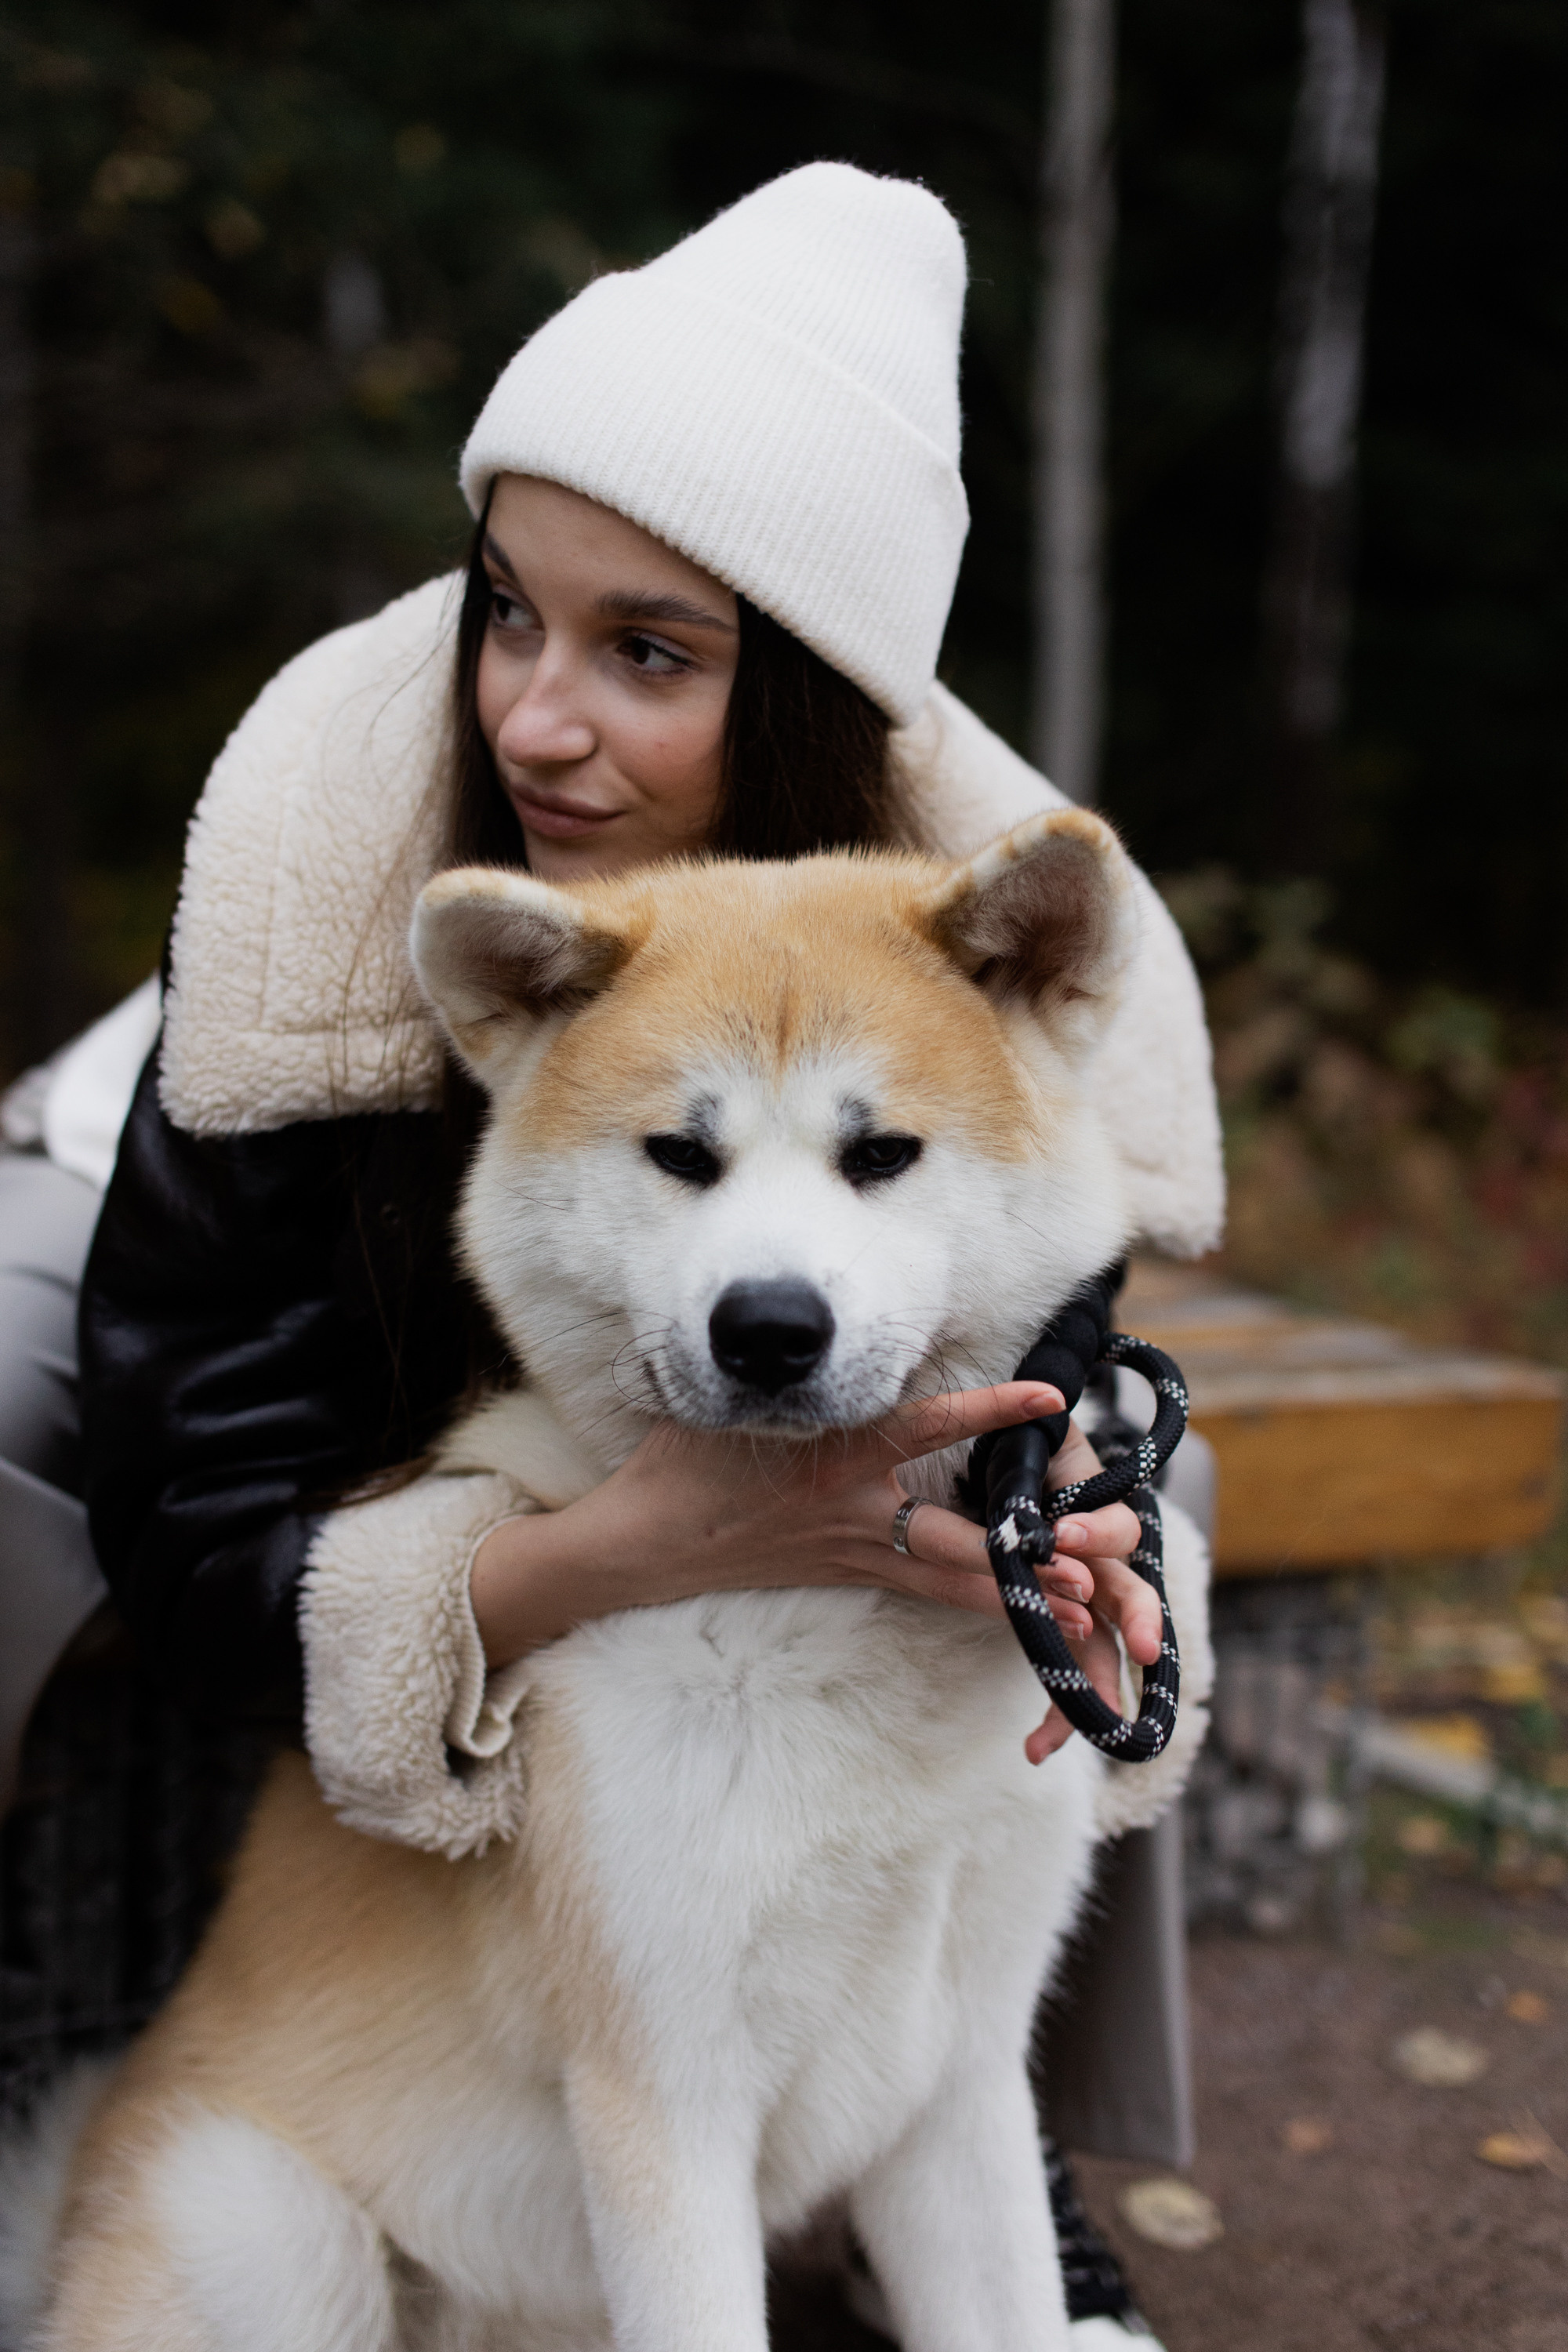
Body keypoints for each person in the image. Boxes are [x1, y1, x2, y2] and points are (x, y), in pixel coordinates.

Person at [5, 164, 1222, 2343]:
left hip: (619, 1395)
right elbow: (187, 1464)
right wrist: (595, 1553)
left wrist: (1072, 1534)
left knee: (1117, 1510)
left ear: (815, 689)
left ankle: (1024, 2181)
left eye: (645, 649)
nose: (536, 716)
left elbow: (1040, 1297)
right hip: (201, 1264)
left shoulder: (980, 896)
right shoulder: (318, 835)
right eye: (507, 610)